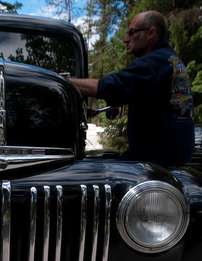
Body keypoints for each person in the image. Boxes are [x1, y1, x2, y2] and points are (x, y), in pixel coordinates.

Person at [71, 10, 194, 167]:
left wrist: (66, 82)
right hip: (172, 158)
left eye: (132, 32)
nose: (125, 39)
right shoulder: (169, 59)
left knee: (92, 169)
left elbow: (112, 86)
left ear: (151, 33)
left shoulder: (154, 62)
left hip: (158, 162)